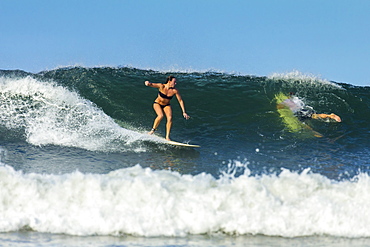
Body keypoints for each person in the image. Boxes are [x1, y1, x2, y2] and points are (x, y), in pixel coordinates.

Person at [145, 76, 190, 141]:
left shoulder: (175, 91)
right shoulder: (161, 86)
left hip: (166, 105)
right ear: (169, 81)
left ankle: (167, 137)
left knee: (170, 118)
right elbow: (151, 84)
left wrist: (184, 112)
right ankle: (152, 130)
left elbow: (180, 101)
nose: (175, 84)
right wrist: (147, 83)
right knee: (160, 116)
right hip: (157, 103)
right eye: (174, 82)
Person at [277, 92, 342, 122]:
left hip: (299, 112)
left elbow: (279, 106)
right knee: (311, 118)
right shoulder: (295, 99)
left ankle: (330, 116)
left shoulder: (285, 101)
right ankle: (314, 132)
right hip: (302, 110)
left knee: (314, 116)